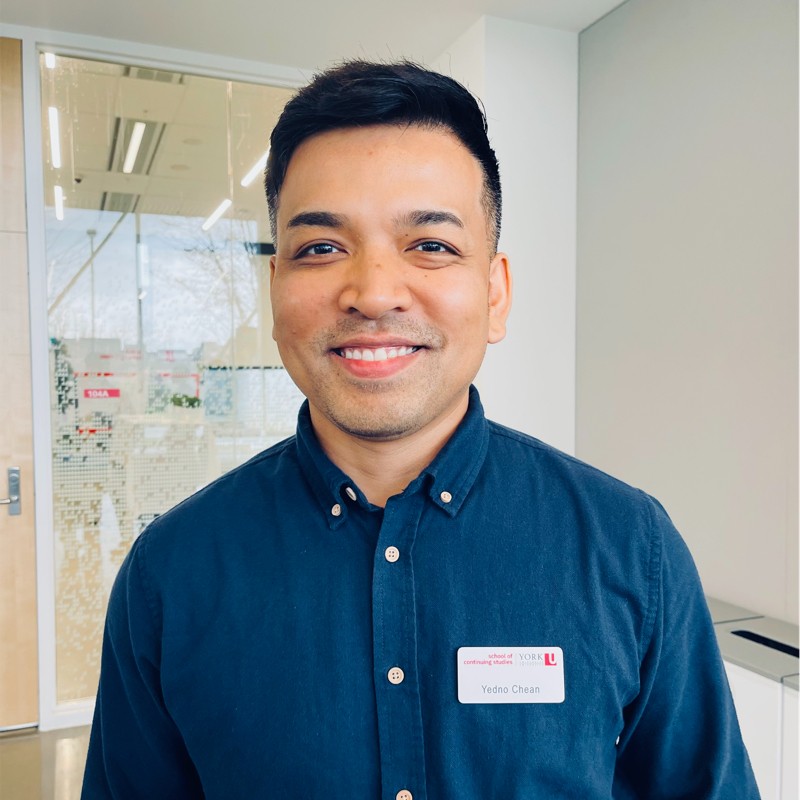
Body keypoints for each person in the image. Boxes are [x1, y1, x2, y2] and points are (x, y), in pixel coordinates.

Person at [82, 60, 759, 799]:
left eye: (431, 245)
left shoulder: (629, 547)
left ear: (495, 294)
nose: (374, 293)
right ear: (275, 291)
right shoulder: (170, 575)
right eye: (320, 248)